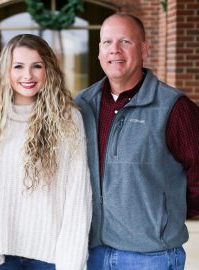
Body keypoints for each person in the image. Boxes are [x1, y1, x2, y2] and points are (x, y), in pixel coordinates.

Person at [75, 13, 199, 270]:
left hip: (150, 257)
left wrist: (166, 217)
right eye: (107, 42)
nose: (115, 50)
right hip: (90, 252)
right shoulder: (81, 105)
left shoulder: (174, 107)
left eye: (125, 42)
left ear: (144, 48)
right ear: (98, 51)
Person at [0, 34, 92, 270]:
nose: (27, 75)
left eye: (37, 66)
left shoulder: (68, 119)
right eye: (18, 66)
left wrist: (71, 262)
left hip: (52, 258)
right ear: (6, 71)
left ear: (48, 70)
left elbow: (79, 194)